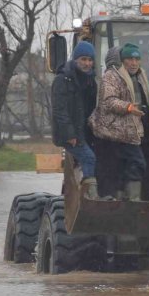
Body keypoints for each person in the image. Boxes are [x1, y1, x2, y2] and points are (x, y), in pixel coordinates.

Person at [89, 43, 149, 200]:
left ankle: (127, 199)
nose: (134, 62)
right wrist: (129, 107)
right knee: (124, 166)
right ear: (122, 61)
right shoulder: (111, 76)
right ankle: (125, 199)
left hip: (131, 131)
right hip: (112, 130)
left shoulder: (139, 76)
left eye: (137, 59)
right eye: (130, 58)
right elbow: (108, 101)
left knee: (131, 165)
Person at [51, 40, 99, 199]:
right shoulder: (63, 80)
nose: (87, 63)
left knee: (94, 157)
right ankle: (89, 196)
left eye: (90, 60)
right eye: (83, 59)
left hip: (85, 131)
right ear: (75, 59)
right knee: (88, 157)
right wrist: (70, 134)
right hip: (70, 134)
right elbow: (60, 110)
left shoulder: (91, 80)